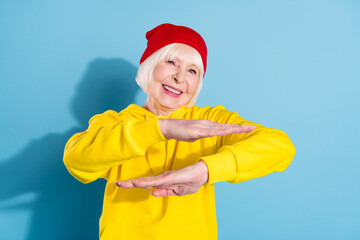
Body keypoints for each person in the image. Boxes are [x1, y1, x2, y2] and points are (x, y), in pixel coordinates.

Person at [63, 23, 296, 240]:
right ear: (149, 65)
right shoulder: (115, 122)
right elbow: (77, 161)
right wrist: (160, 128)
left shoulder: (209, 121)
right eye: (171, 62)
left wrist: (205, 171)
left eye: (192, 71)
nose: (180, 77)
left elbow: (281, 146)